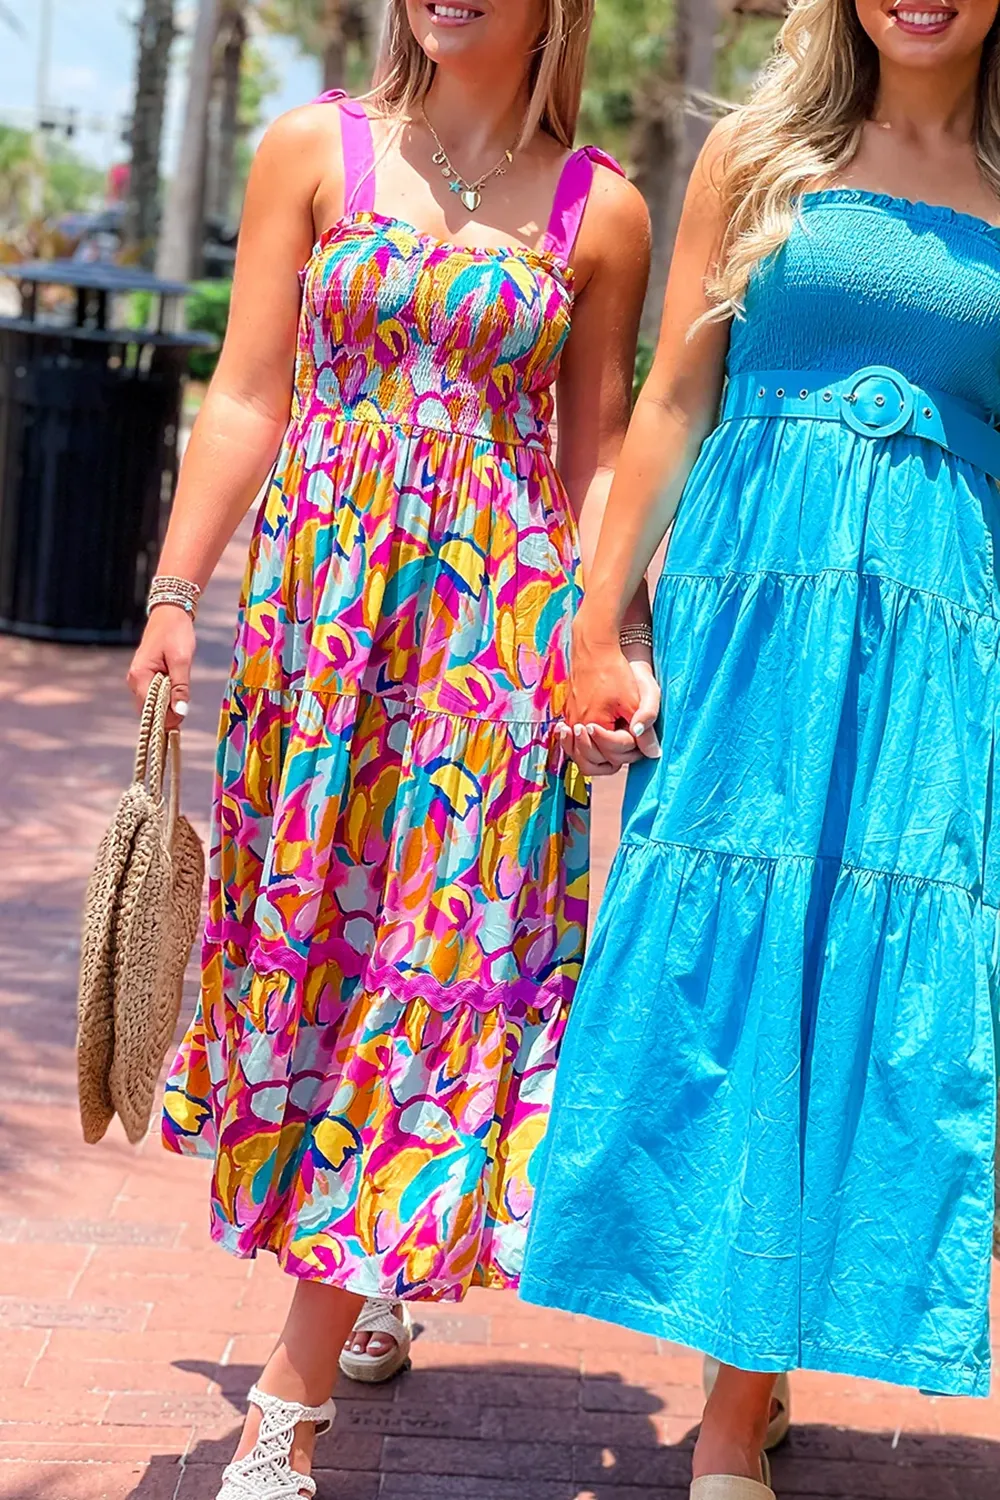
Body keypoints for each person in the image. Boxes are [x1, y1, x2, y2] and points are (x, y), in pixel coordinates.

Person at [127, 0, 652, 1493]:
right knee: (315, 951)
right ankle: (373, 1259)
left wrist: (604, 632)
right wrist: (176, 590)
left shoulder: (599, 212)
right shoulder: (315, 150)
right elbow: (246, 390)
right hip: (326, 630)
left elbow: (598, 446)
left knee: (437, 968)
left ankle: (285, 1409)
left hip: (493, 642)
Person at [519, 1, 1000, 1496]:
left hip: (938, 637)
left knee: (874, 994)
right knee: (732, 967)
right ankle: (733, 1408)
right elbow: (674, 398)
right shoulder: (757, 147)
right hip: (752, 616)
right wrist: (603, 624)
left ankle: (760, 1368)